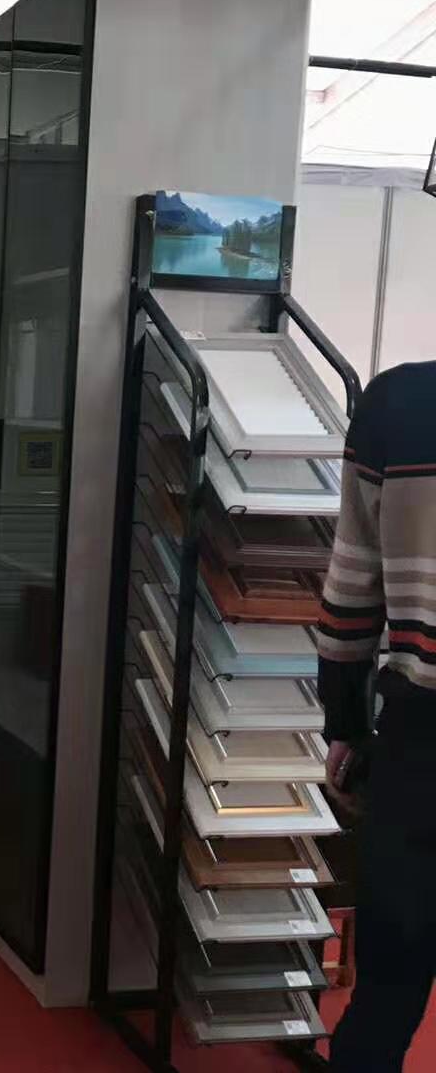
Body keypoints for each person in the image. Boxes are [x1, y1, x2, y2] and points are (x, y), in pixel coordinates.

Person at [319, 363, 436, 1071]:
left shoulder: (397, 403)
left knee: (387, 987)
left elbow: (352, 584)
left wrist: (343, 721)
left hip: (419, 745)